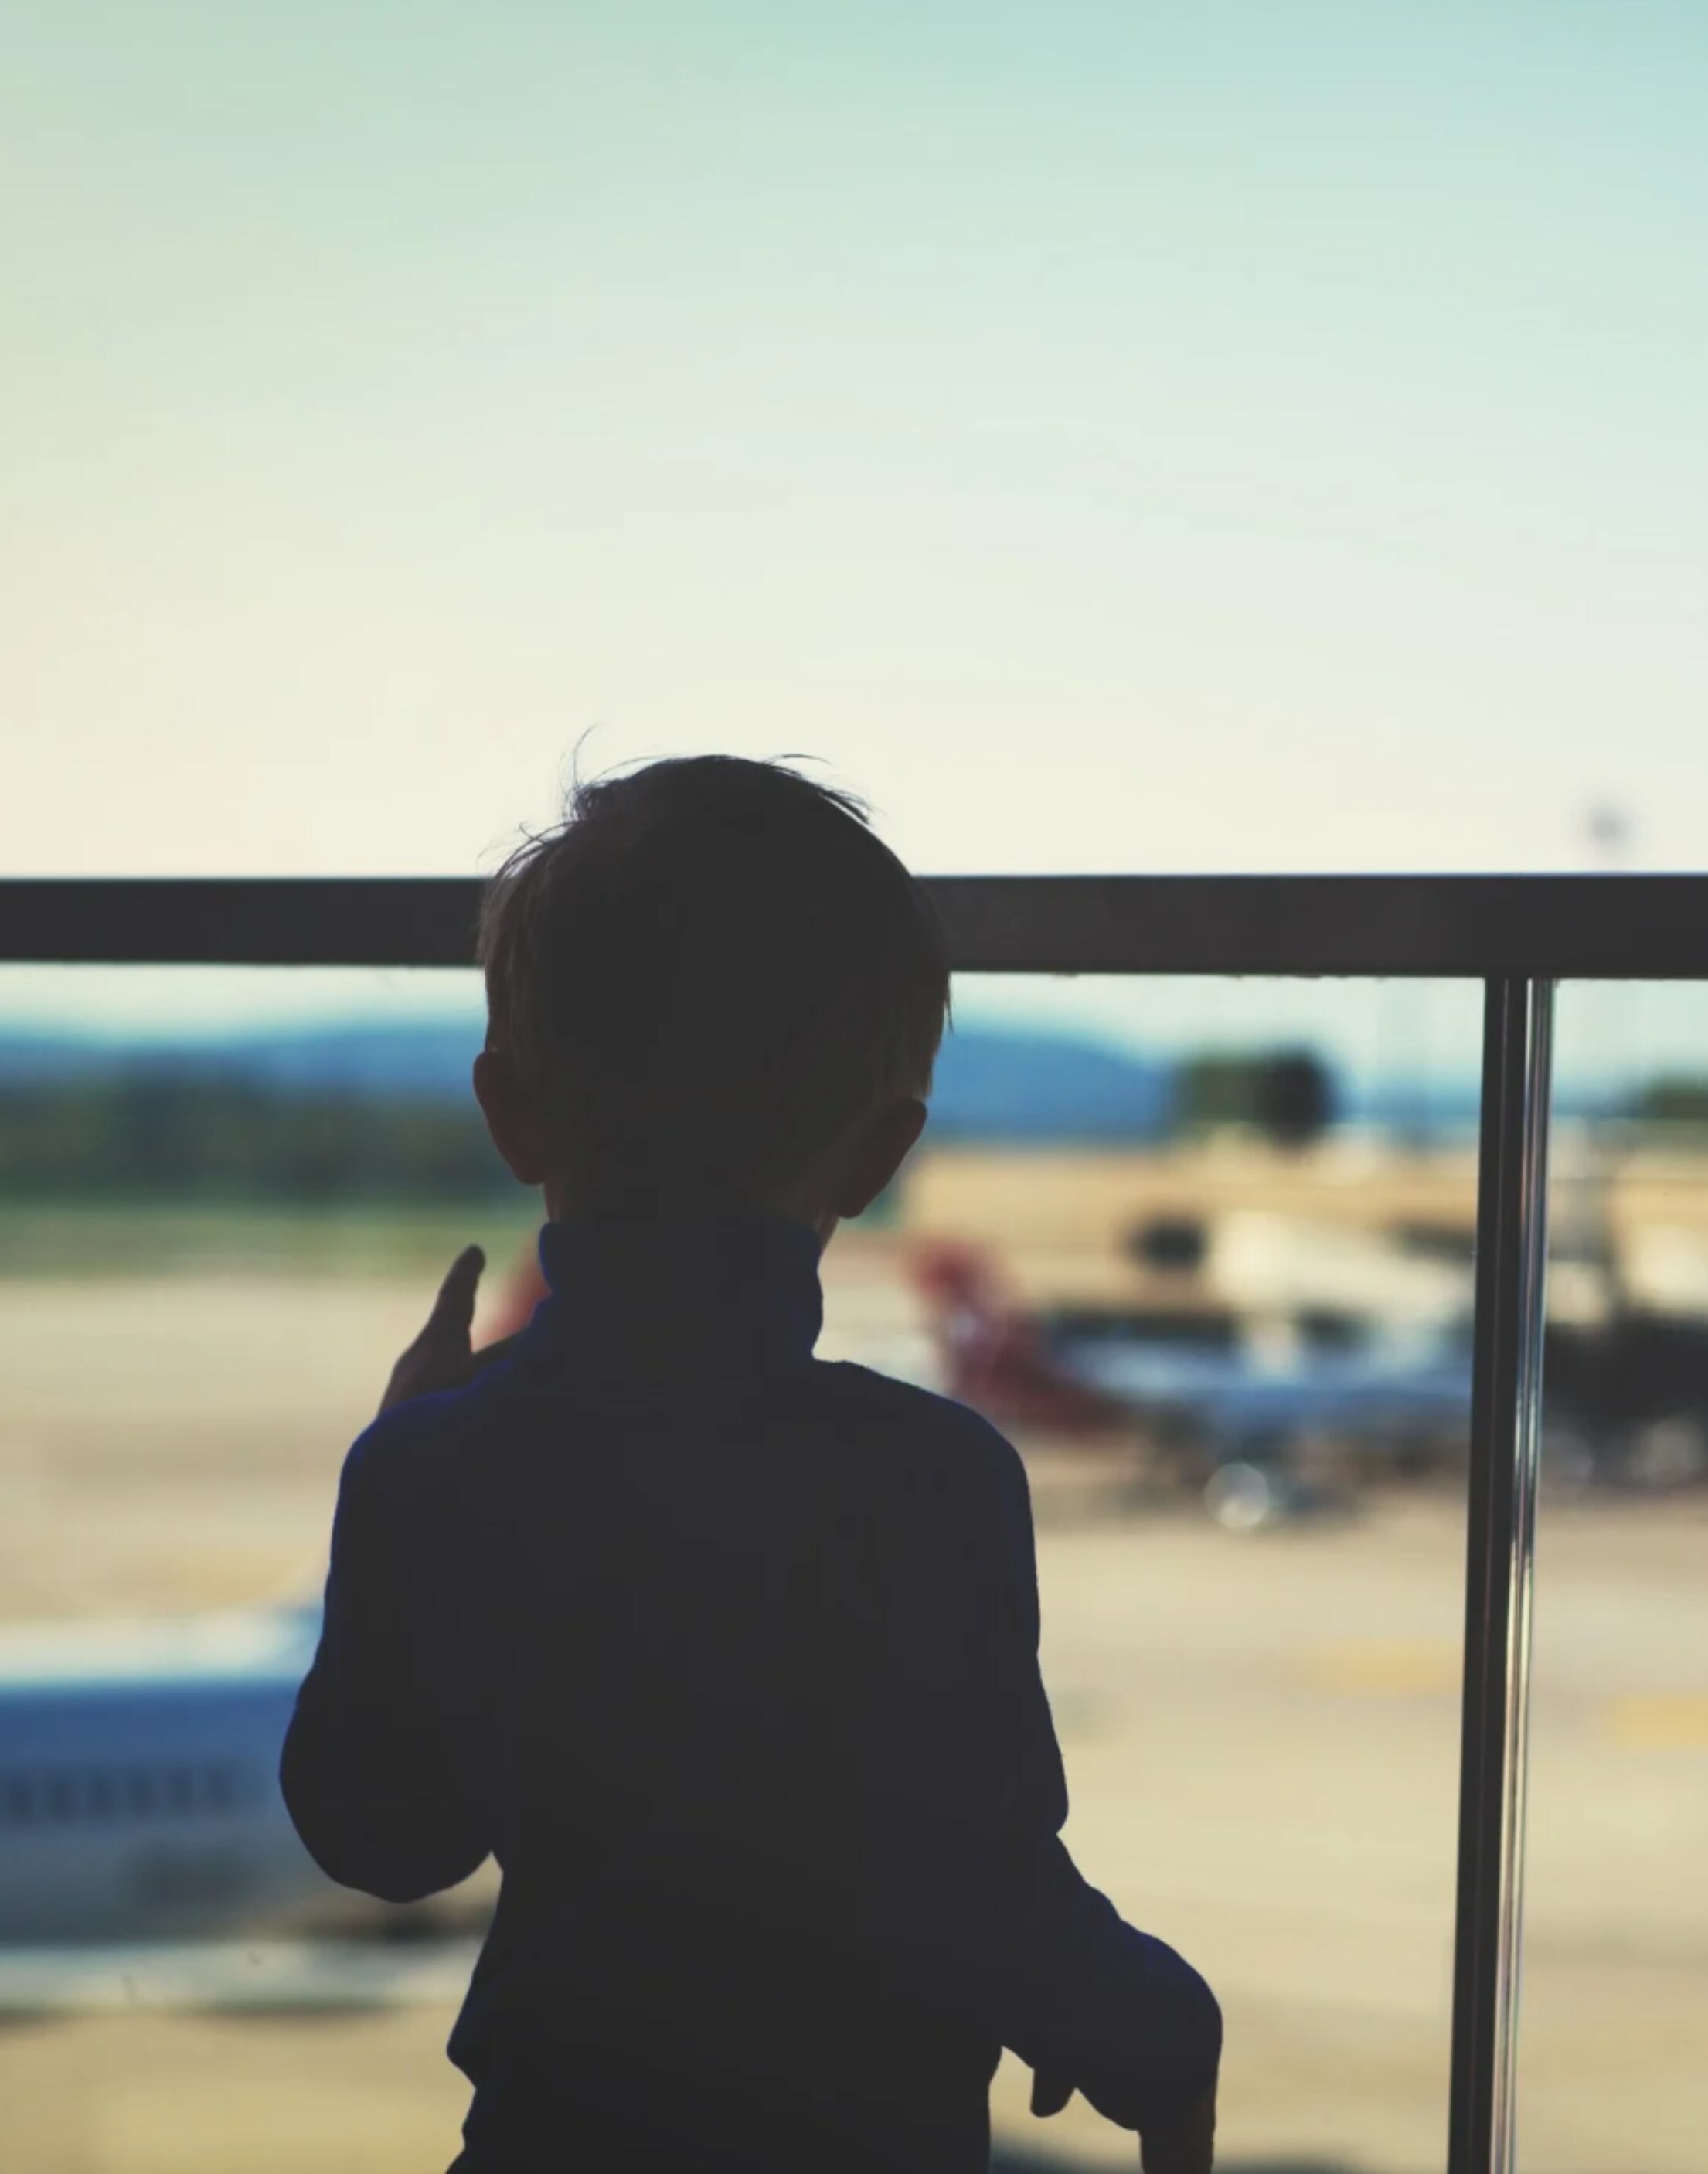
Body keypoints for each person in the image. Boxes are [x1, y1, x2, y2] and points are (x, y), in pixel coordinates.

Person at [283, 757, 1220, 2174]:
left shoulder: (434, 1465)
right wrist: (1155, 2017)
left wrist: (396, 1447)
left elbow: (381, 1836)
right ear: (878, 1153)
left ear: (511, 1110)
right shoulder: (933, 1483)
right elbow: (981, 1881)